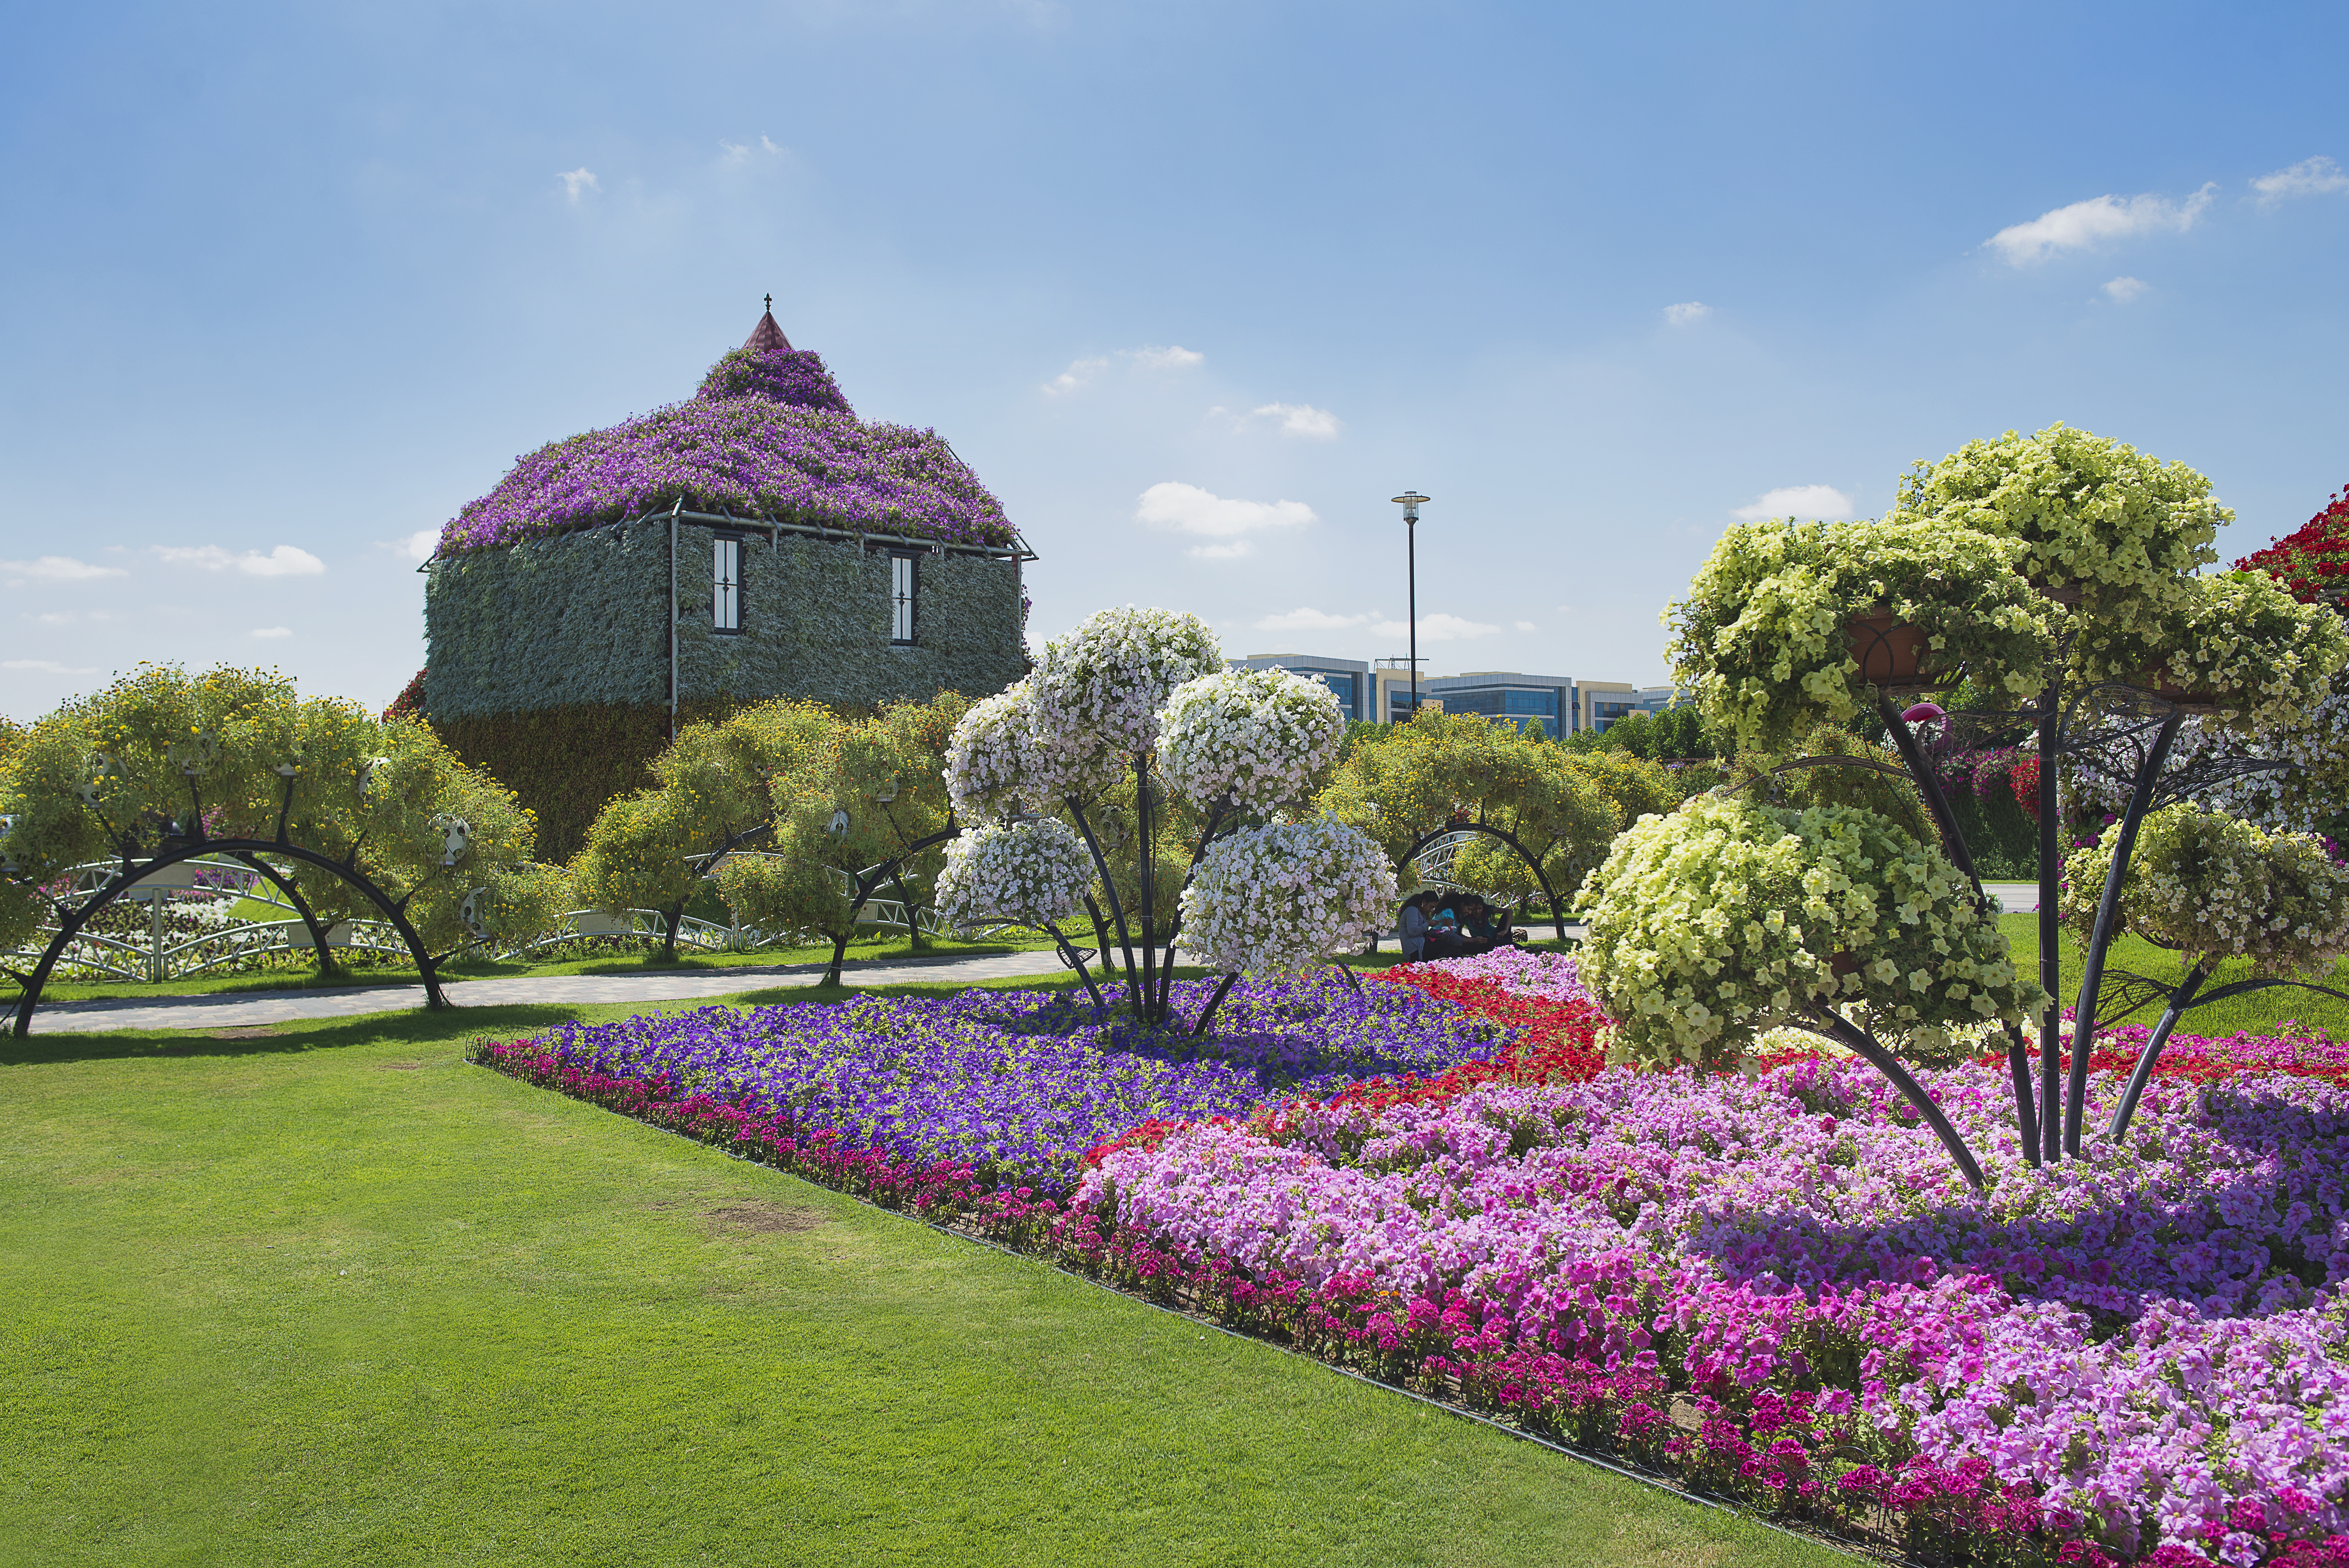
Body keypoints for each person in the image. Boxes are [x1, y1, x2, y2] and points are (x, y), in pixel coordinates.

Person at [1397, 891, 1438, 961]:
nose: (1431, 910)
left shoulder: (1421, 913)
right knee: (1445, 946)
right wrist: (1428, 924)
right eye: (1431, 907)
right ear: (1424, 902)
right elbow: (1413, 931)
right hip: (1414, 950)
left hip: (1419, 947)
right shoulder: (1412, 910)